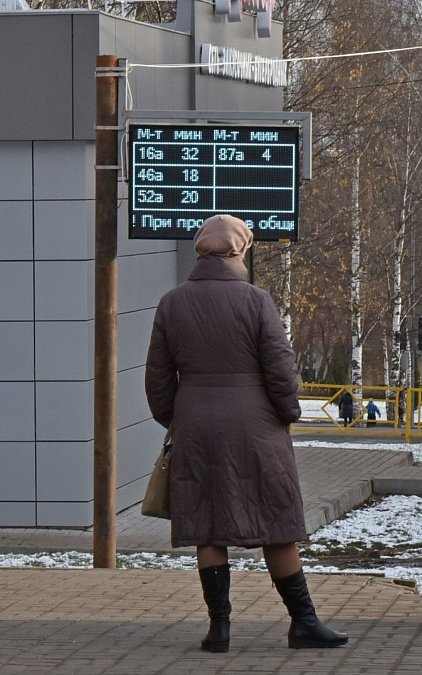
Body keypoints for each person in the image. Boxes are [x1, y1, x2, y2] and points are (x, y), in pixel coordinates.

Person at [145, 215, 348, 652]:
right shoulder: (256, 300)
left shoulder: (172, 302)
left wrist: (177, 419)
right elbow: (280, 369)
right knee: (276, 522)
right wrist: (286, 413)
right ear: (241, 250)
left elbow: (158, 380)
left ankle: (219, 628)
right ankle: (304, 622)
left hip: (196, 424)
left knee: (208, 524)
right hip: (256, 427)